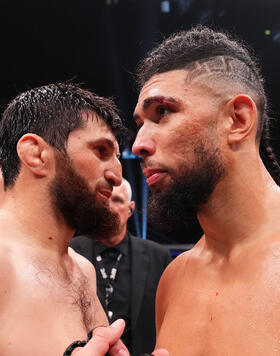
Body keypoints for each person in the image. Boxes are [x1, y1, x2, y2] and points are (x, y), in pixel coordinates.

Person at [132, 25, 280, 355]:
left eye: (163, 112)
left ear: (237, 120)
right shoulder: (175, 278)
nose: (139, 144)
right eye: (141, 123)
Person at [0, 83, 168, 356]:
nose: (116, 174)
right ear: (36, 153)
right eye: (100, 151)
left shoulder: (83, 270)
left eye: (116, 156)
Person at [71, 178, 172, 355]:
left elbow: (169, 319)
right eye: (104, 199)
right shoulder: (71, 252)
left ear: (130, 209)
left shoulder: (158, 256)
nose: (109, 206)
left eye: (117, 200)